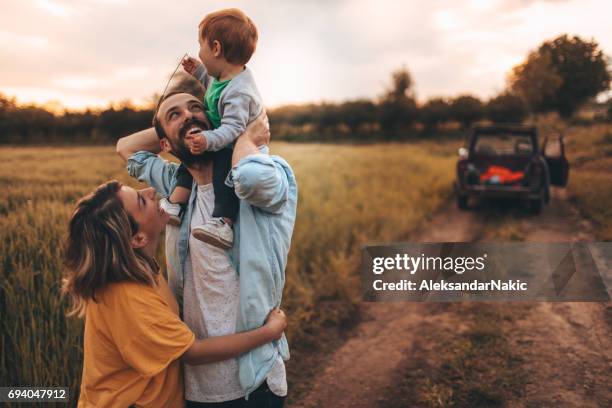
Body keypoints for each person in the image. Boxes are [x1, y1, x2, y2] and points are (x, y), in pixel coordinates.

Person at [116, 72, 297, 406]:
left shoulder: (264, 176)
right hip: (195, 386)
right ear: (164, 146)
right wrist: (172, 128)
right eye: (176, 114)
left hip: (253, 382)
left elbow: (252, 176)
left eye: (196, 108)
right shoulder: (176, 188)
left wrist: (241, 135)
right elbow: (126, 148)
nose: (188, 115)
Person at [62, 180, 288, 407]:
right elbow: (194, 352)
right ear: (138, 239)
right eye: (141, 200)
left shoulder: (141, 270)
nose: (150, 191)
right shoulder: (129, 298)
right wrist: (268, 332)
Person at [161, 8, 265, 251]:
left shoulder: (240, 92)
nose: (199, 51)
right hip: (220, 138)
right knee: (190, 160)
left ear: (216, 49)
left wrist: (207, 139)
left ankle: (223, 223)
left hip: (238, 148)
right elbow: (212, 86)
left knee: (222, 174)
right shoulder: (224, 78)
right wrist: (198, 70)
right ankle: (176, 205)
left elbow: (233, 128)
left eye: (201, 46)